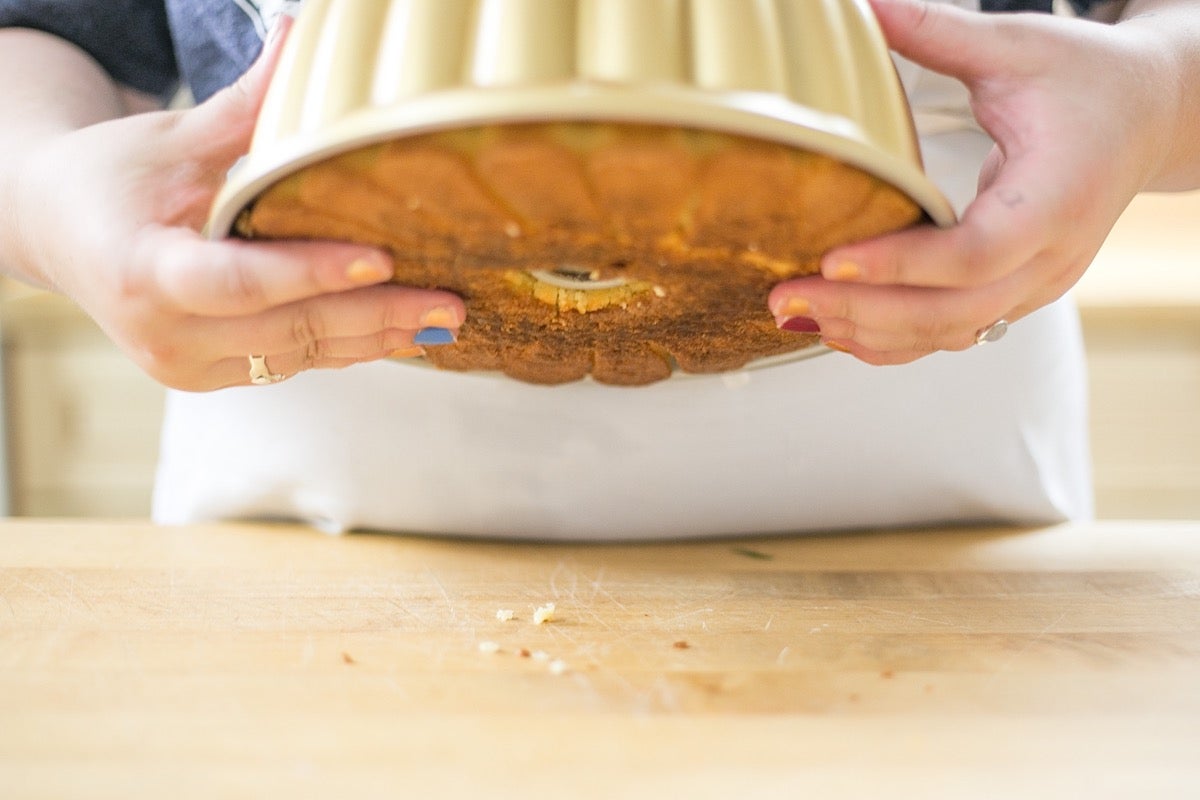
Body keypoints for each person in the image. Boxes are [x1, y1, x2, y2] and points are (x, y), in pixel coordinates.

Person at [0, 0, 1195, 538]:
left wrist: (1153, 88)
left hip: (948, 547)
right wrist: (52, 199)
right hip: (307, 521)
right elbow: (43, 32)